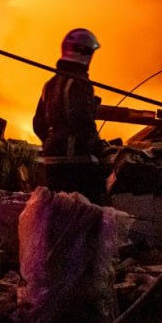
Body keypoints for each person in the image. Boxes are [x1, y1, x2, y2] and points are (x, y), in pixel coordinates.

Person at [33, 28, 108, 204]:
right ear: (84, 53)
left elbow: (38, 123)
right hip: (76, 162)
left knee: (60, 209)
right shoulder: (80, 83)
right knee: (88, 209)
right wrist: (99, 149)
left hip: (51, 162)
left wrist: (51, 144)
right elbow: (83, 122)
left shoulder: (50, 84)